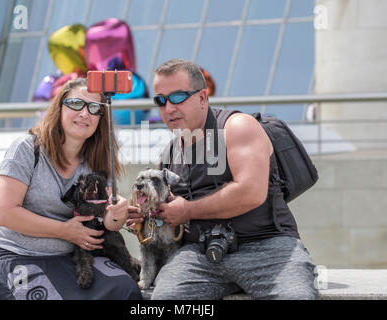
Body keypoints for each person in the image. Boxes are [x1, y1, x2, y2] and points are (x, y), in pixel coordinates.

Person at [127, 58, 319, 300]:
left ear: (202, 98)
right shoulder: (168, 154)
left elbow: (250, 192)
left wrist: (187, 210)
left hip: (267, 248)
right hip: (199, 255)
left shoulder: (237, 127)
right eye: (161, 100)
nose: (169, 108)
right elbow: (169, 214)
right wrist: (147, 215)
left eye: (177, 97)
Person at [0, 78, 141, 300]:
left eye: (94, 108)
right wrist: (64, 230)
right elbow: (6, 213)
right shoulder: (27, 148)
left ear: (100, 118)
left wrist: (116, 214)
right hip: (16, 256)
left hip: (70, 259)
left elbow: (108, 222)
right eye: (76, 104)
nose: (85, 113)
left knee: (126, 290)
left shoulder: (96, 160)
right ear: (59, 108)